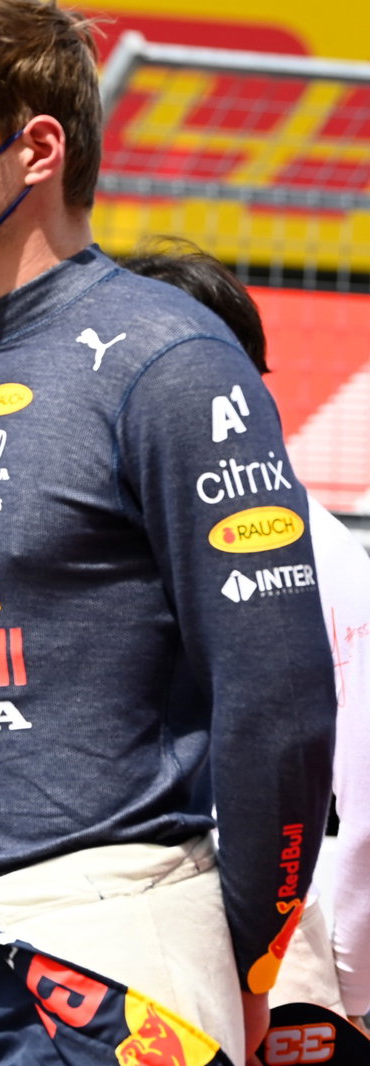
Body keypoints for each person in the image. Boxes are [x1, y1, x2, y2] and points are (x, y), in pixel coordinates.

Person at [0, 4, 337, 1064]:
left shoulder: (167, 357)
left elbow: (278, 702)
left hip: (106, 963)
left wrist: (253, 963)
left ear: (37, 150)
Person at [118, 242, 370, 1021]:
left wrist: (351, 992)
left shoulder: (322, 558)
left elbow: (357, 802)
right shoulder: (106, 544)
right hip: (105, 939)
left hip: (278, 951)